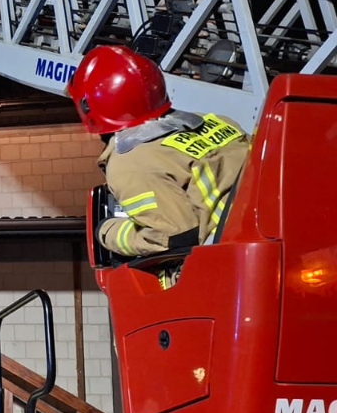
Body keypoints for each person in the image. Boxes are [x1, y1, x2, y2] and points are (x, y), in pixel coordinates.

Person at [67, 45, 250, 264]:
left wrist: (108, 231)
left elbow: (174, 238)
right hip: (257, 240)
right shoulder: (219, 121)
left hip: (221, 267)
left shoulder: (130, 164)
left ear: (88, 107)